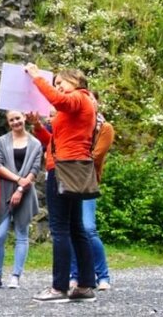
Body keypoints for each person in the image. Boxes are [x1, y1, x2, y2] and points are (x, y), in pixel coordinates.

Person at [26, 63, 98, 303]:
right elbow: (53, 141)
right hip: (69, 166)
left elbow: (58, 101)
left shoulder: (79, 97)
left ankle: (59, 288)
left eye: (60, 83)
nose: (58, 88)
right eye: (55, 84)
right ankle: (86, 286)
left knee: (60, 229)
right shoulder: (76, 106)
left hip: (63, 169)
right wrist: (37, 126)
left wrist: (37, 78)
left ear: (75, 81)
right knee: (76, 228)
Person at [0, 109, 43, 289]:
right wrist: (16, 179)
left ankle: (15, 276)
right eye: (11, 120)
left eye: (18, 118)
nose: (15, 122)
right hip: (4, 190)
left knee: (22, 234)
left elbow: (35, 170)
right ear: (8, 122)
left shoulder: (35, 143)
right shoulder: (1, 141)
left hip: (26, 193)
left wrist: (21, 188)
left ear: (24, 119)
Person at [70, 100, 115, 292]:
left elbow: (95, 156)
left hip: (88, 181)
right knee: (72, 229)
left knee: (88, 228)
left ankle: (102, 275)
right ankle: (75, 275)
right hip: (69, 179)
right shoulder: (74, 124)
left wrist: (71, 156)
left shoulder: (104, 128)